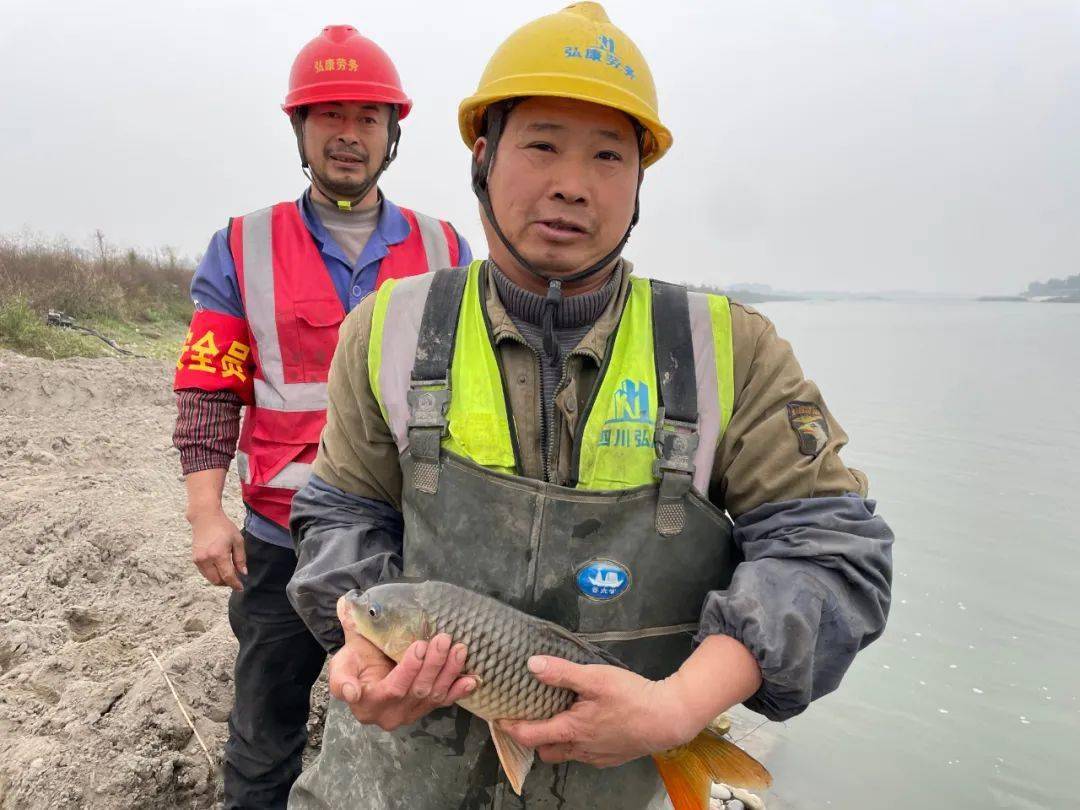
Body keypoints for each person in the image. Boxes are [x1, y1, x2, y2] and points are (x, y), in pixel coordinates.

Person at [285, 4, 892, 808]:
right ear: (482, 155)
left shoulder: (726, 350)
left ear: (641, 180)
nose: (572, 185)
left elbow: (832, 556)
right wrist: (358, 648)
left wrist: (679, 708)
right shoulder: (391, 330)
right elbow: (340, 515)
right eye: (541, 144)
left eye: (609, 155)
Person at [172, 24, 471, 809]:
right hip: (277, 542)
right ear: (299, 130)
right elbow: (209, 389)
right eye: (329, 114)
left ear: (393, 134)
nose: (349, 134)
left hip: (405, 552)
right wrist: (207, 515)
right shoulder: (244, 244)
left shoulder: (446, 249)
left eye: (368, 117)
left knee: (414, 735)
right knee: (265, 732)